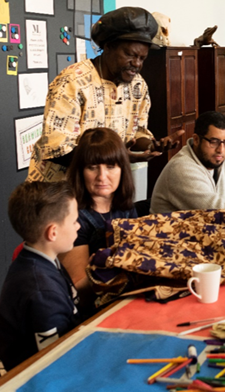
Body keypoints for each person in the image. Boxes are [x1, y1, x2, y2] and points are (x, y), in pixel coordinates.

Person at [26, 6, 184, 182]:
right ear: (108, 47)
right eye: (130, 54)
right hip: (58, 191)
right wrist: (116, 157)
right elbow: (57, 150)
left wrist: (151, 145)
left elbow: (136, 133)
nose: (137, 64)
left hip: (102, 188)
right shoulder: (72, 82)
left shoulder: (138, 85)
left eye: (142, 58)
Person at [0, 181, 82, 371]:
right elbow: (53, 362)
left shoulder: (39, 257)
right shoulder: (42, 293)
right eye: (74, 221)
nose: (78, 226)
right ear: (53, 232)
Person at [60, 127, 138, 294]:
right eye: (92, 167)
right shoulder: (73, 218)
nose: (102, 176)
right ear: (81, 171)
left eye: (111, 166)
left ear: (122, 169)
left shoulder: (126, 207)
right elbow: (79, 285)